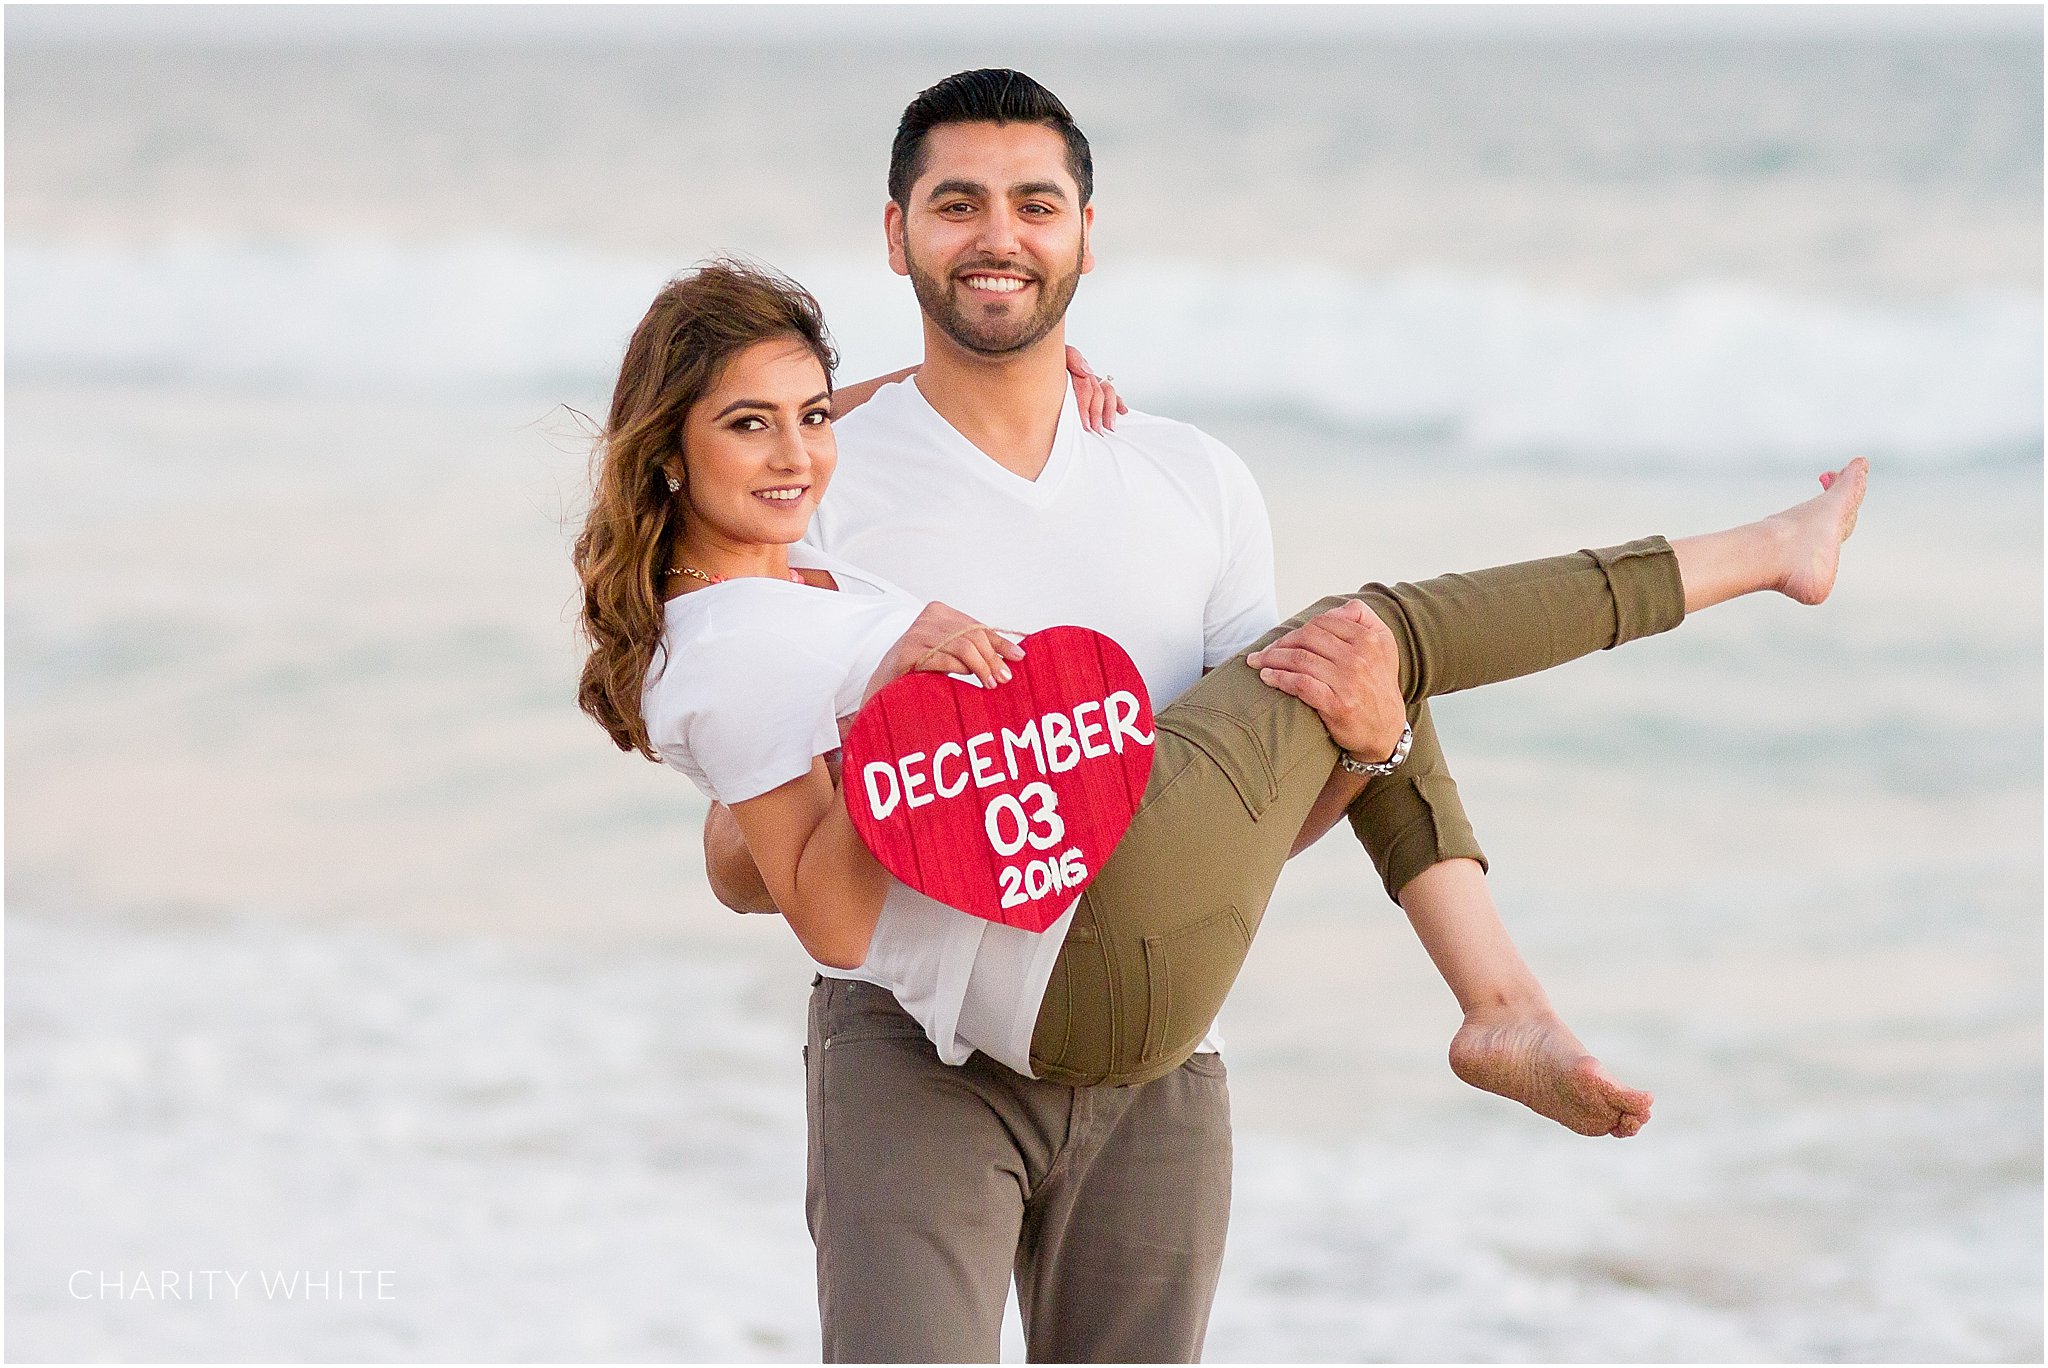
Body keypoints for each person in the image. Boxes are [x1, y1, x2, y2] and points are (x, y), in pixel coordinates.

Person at [578, 255, 1867, 1359]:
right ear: (671, 451)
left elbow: (785, 602)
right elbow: (835, 922)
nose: (799, 450)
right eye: (749, 425)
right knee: (1373, 635)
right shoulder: (741, 645)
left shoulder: (795, 575)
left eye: (810, 415)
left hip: (1110, 964)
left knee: (1356, 689)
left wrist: (912, 415)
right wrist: (890, 716)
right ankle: (1761, 558)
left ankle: (1500, 997)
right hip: (1060, 949)